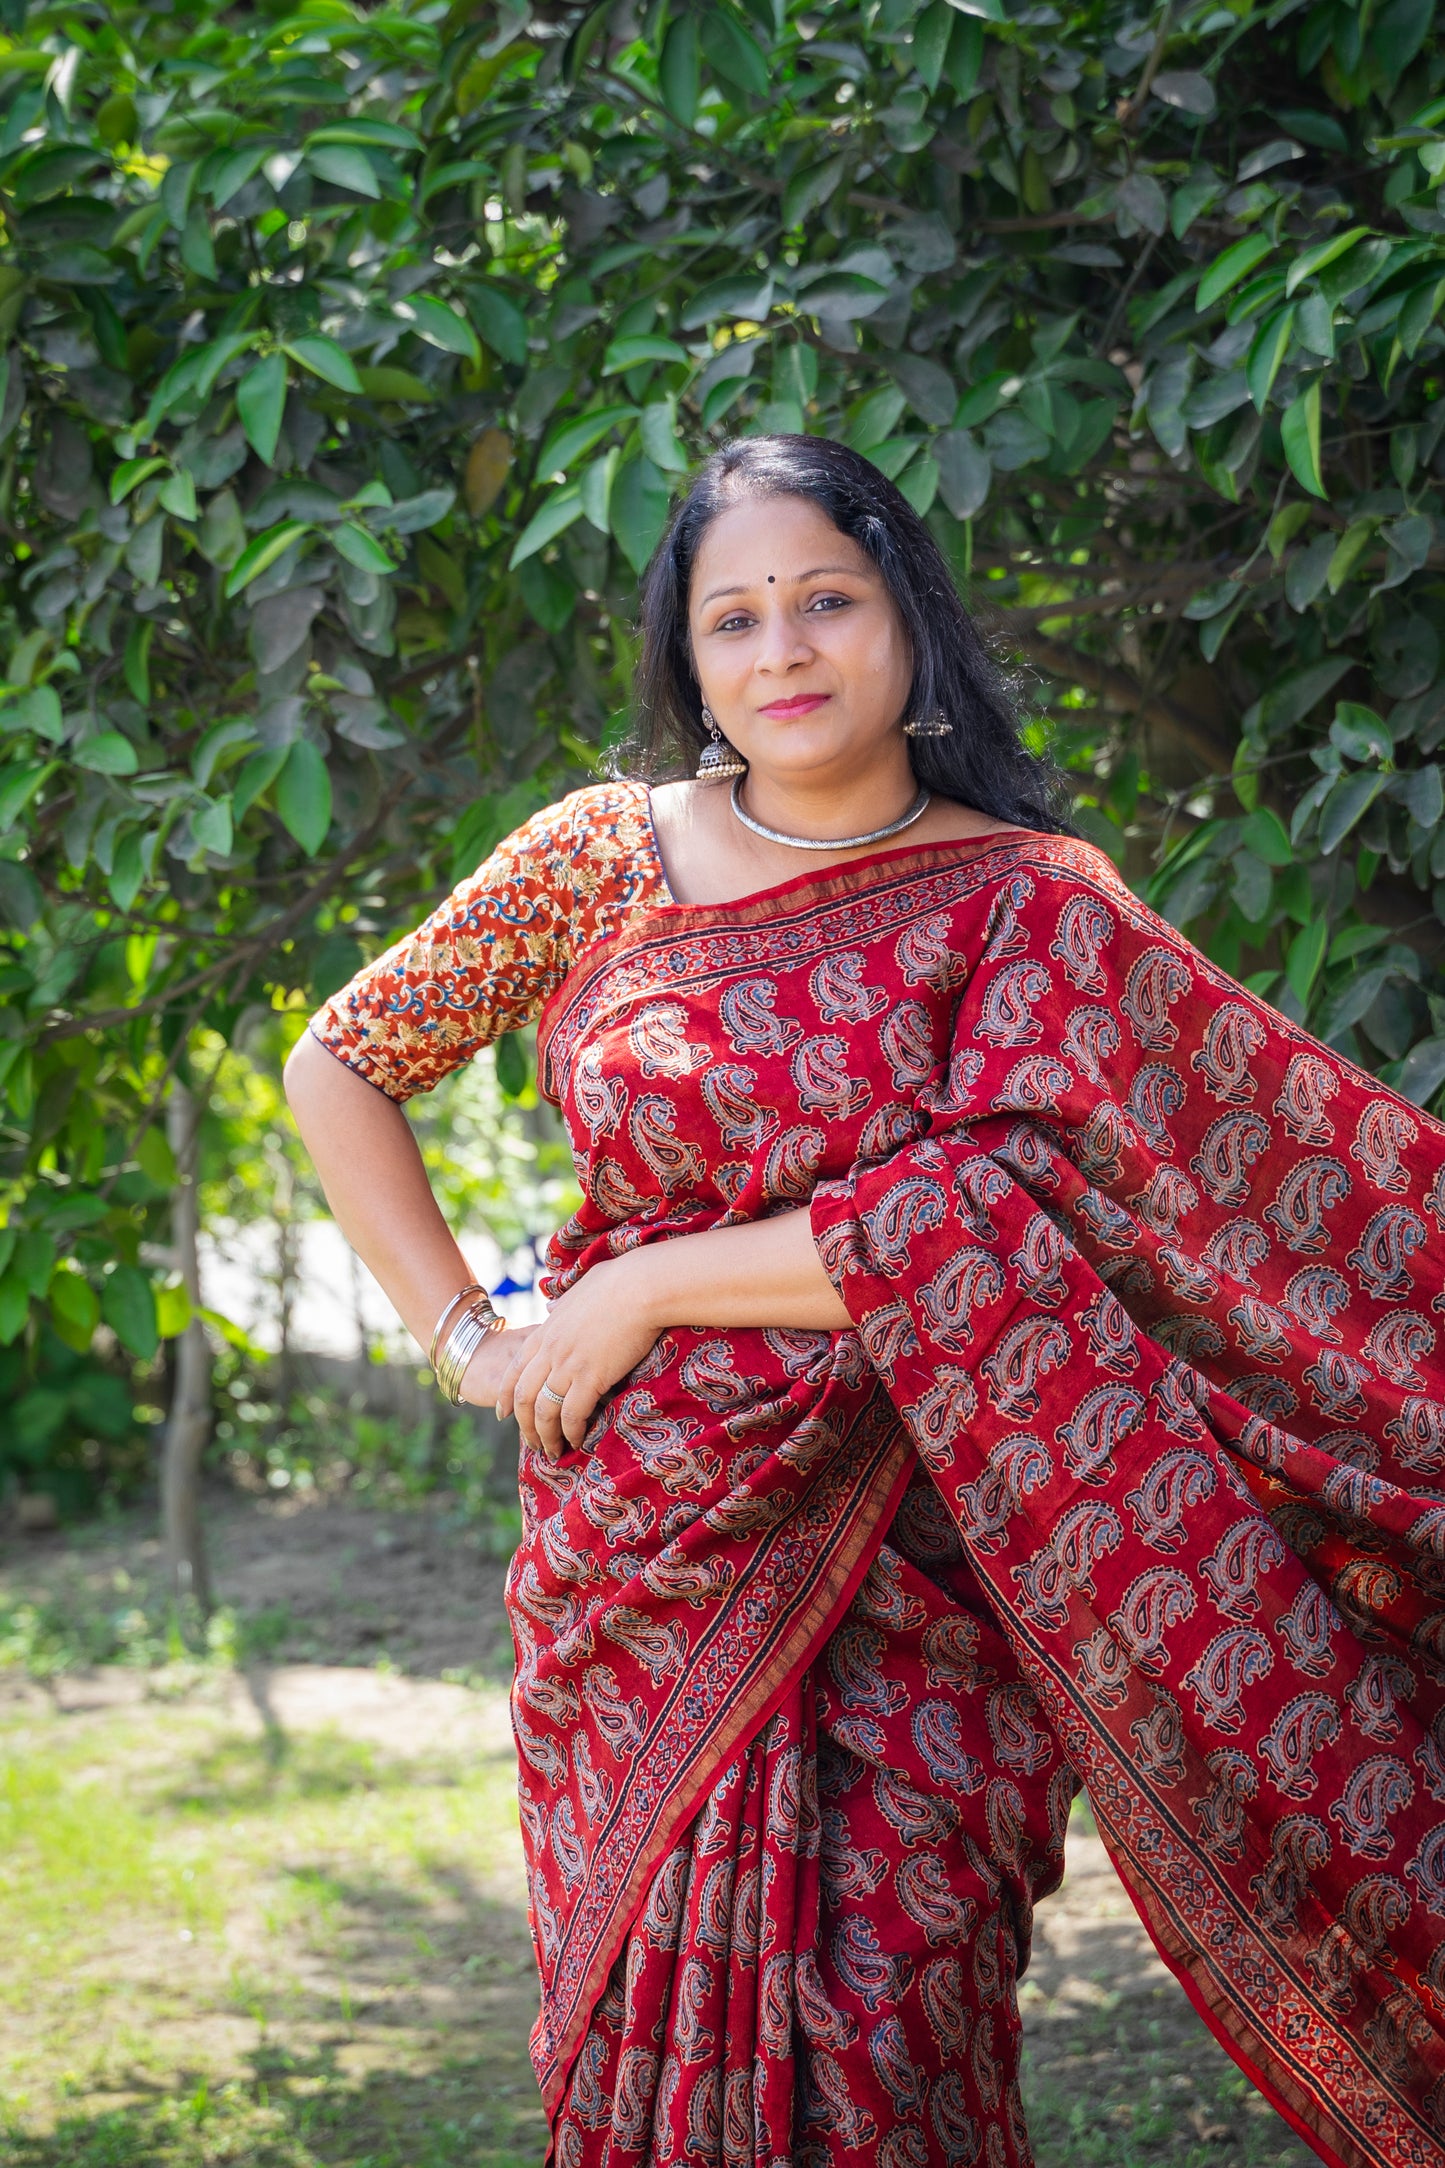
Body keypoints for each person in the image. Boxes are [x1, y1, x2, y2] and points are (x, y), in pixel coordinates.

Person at [285, 434, 1445, 2168]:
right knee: (641, 2067)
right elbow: (341, 1062)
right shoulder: (597, 859)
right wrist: (468, 1337)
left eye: (823, 601)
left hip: (929, 1570)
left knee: (894, 2049)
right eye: (731, 619)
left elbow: (1021, 1206)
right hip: (635, 1573)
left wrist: (652, 1287)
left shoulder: (1028, 904)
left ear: (906, 612)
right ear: (686, 658)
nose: (782, 654)